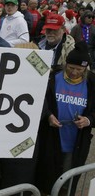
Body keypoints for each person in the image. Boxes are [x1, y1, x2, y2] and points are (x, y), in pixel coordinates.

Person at [36, 41, 95, 196]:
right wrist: (48, 115)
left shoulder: (92, 83)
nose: (74, 72)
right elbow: (40, 100)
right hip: (51, 136)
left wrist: (88, 120)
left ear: (85, 68)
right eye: (71, 68)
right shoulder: (52, 77)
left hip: (76, 141)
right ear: (65, 64)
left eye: (79, 69)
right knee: (46, 176)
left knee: (67, 181)